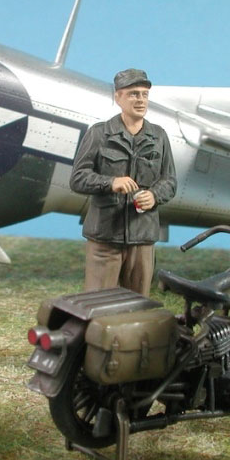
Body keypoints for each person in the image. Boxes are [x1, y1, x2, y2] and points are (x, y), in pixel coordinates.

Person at [69, 68, 177, 296]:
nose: (140, 100)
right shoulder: (99, 134)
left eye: (144, 94)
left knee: (137, 302)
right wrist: (110, 182)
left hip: (142, 236)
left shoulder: (159, 136)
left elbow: (169, 181)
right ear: (118, 97)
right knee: (97, 301)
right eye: (133, 94)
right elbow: (78, 178)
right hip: (105, 236)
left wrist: (154, 195)